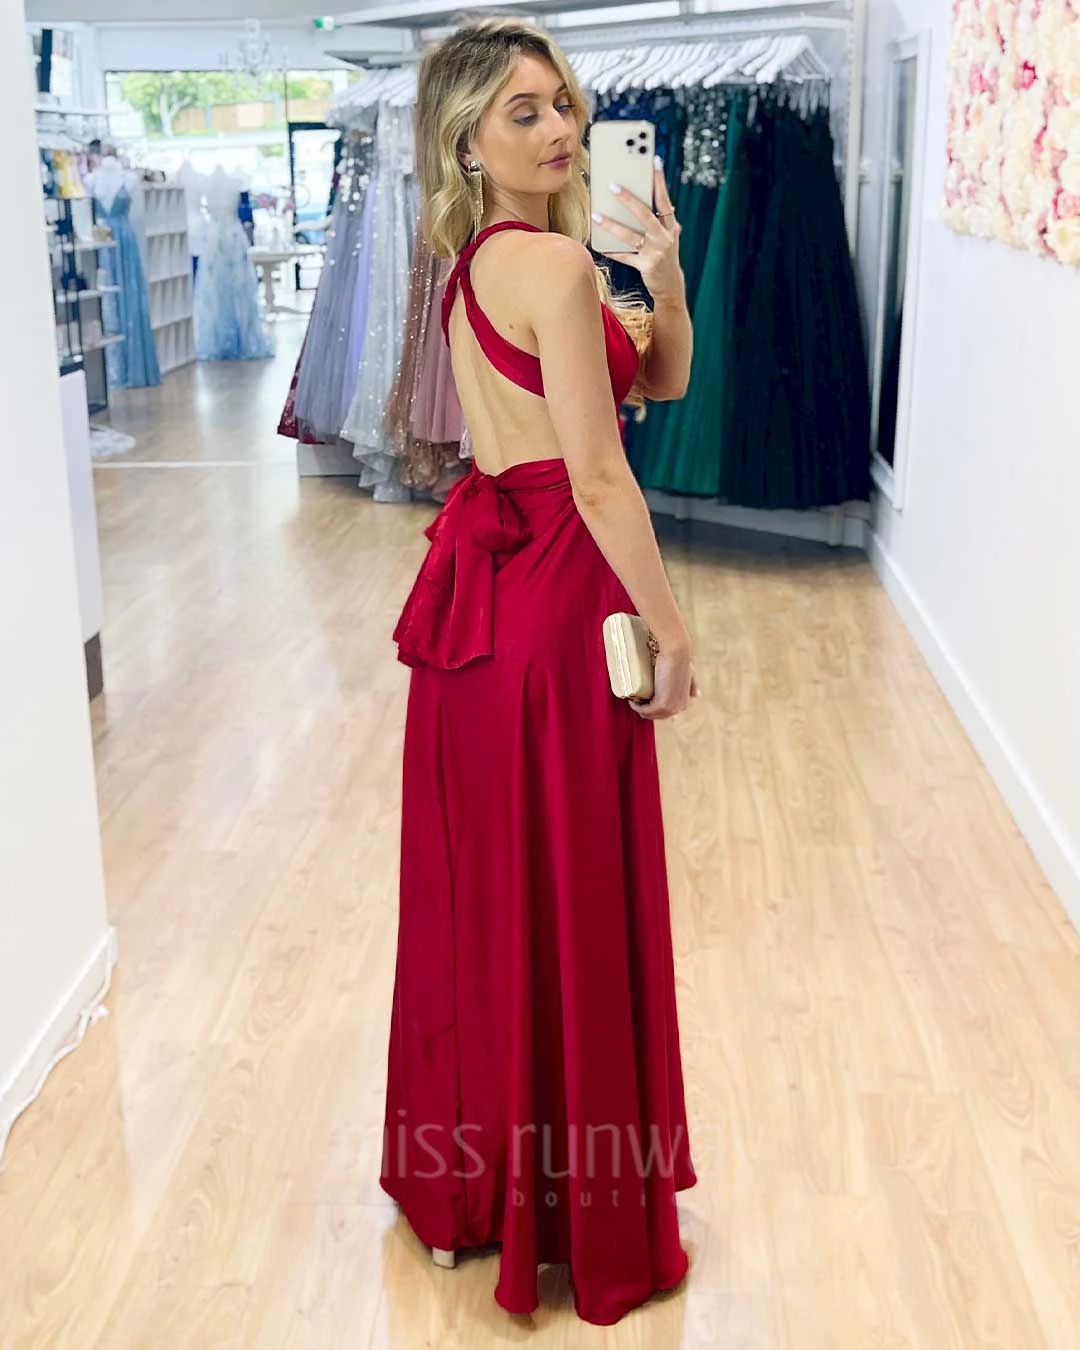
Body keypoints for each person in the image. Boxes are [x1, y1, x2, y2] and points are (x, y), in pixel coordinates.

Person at [380, 17, 698, 1327]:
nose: (559, 127)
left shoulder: (483, 264)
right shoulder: (553, 265)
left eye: (562, 102)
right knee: (569, 891)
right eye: (523, 112)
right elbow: (603, 473)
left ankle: (477, 1192)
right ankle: (571, 1209)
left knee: (491, 902)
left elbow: (661, 379)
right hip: (559, 602)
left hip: (487, 610)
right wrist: (672, 628)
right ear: (467, 142)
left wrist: (663, 274)